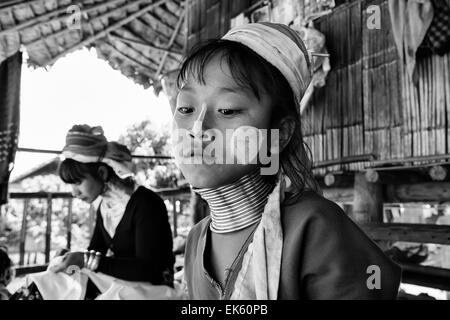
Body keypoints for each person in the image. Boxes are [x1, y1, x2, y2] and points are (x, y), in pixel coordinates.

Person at [173, 22, 402, 299]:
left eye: (227, 109)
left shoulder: (315, 228)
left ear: (279, 134)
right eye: (185, 108)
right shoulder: (197, 239)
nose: (197, 130)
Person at [51, 124, 175, 288]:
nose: (75, 193)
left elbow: (149, 269)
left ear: (102, 173)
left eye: (78, 182)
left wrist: (86, 260)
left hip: (155, 290)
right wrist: (71, 258)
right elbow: (96, 251)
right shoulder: (104, 208)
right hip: (127, 286)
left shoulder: (146, 203)